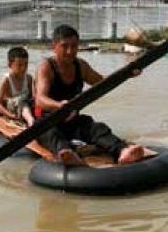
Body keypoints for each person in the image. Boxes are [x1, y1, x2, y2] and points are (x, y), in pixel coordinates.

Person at [35, 24, 145, 166]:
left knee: (97, 128)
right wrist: (59, 105)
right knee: (52, 135)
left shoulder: (80, 65)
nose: (69, 51)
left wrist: (128, 74)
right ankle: (67, 154)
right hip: (48, 121)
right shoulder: (46, 67)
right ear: (54, 47)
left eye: (74, 46)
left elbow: (103, 83)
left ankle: (123, 151)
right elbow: (40, 100)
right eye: (64, 46)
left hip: (72, 120)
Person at [0, 46, 36, 127]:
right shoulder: (6, 80)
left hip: (26, 106)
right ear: (10, 65)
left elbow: (32, 97)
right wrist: (9, 115)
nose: (24, 68)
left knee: (33, 100)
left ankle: (32, 118)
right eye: (20, 65)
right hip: (13, 108)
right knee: (20, 100)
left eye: (26, 64)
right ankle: (31, 121)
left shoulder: (29, 78)